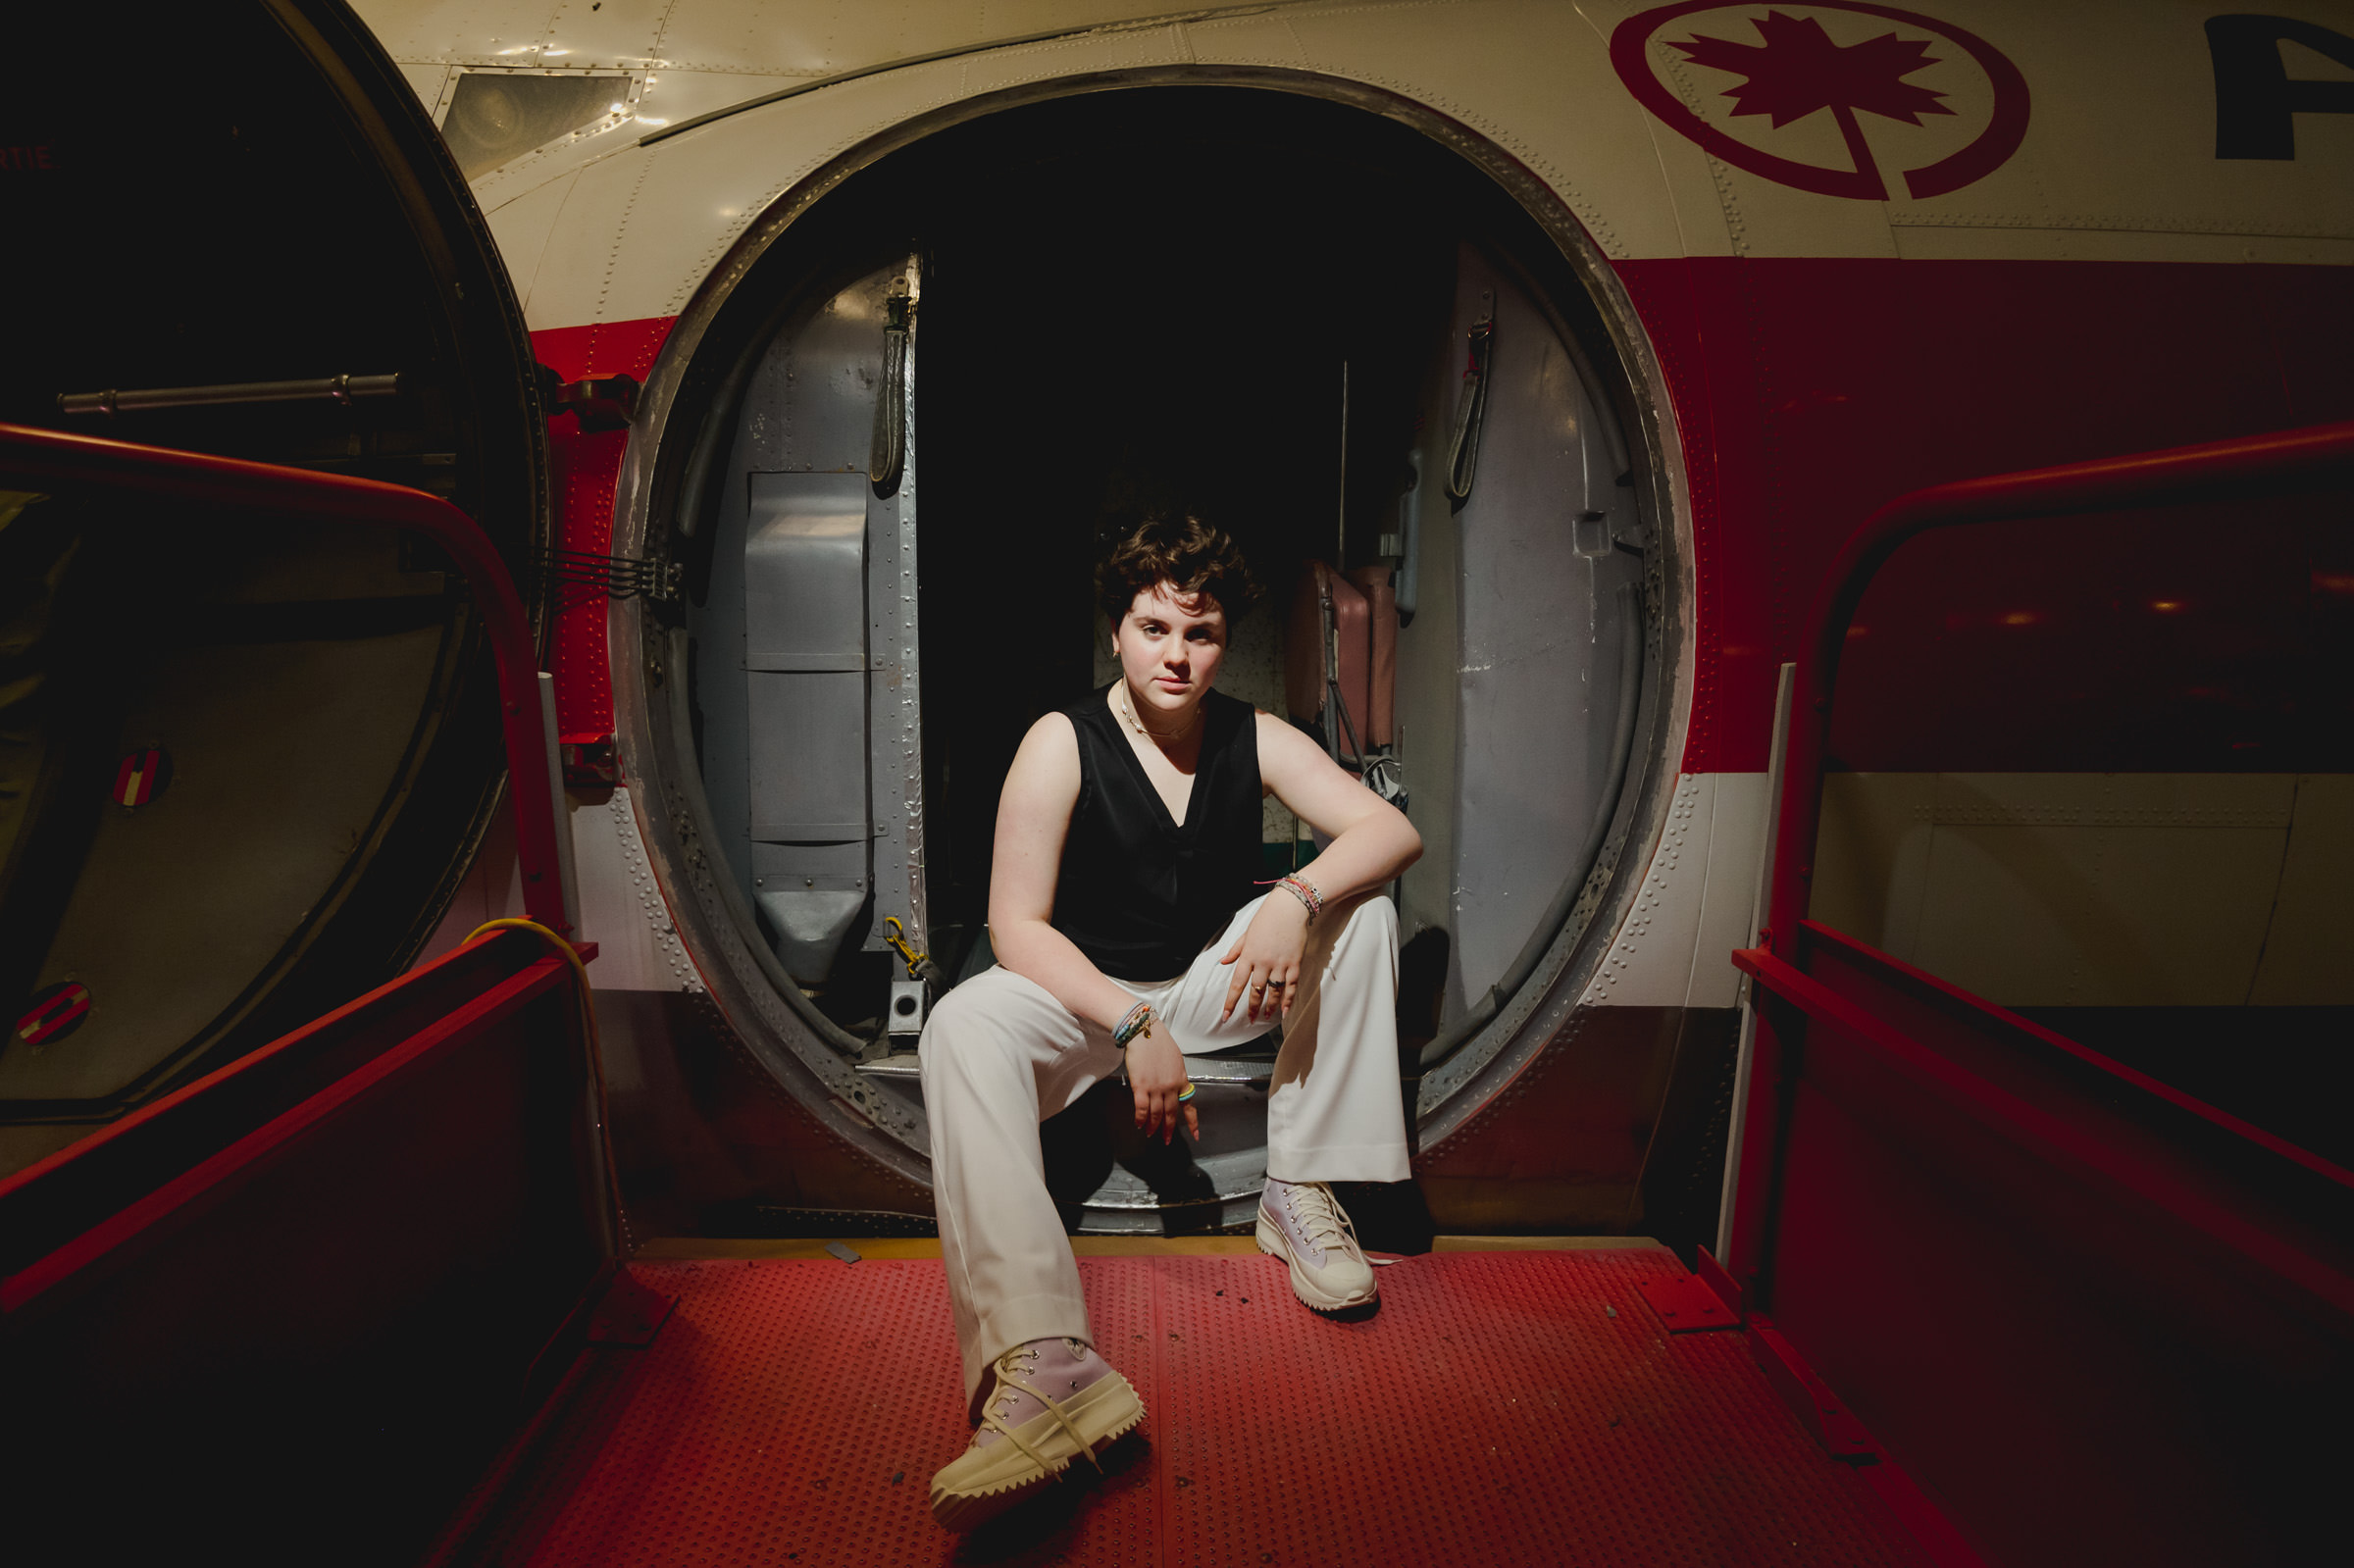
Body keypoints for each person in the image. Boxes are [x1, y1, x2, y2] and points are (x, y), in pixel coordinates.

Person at [921, 513, 1422, 1530]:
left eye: (1198, 635)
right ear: (1118, 633)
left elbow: (1392, 829)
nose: (1176, 656)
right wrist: (1127, 1022)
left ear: (1223, 642)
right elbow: (1017, 928)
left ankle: (1300, 1185)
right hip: (1082, 995)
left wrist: (1295, 897)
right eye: (1154, 629)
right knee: (960, 1025)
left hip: (1205, 982)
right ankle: (1045, 1358)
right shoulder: (1061, 742)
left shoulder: (1255, 735)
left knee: (1362, 906)